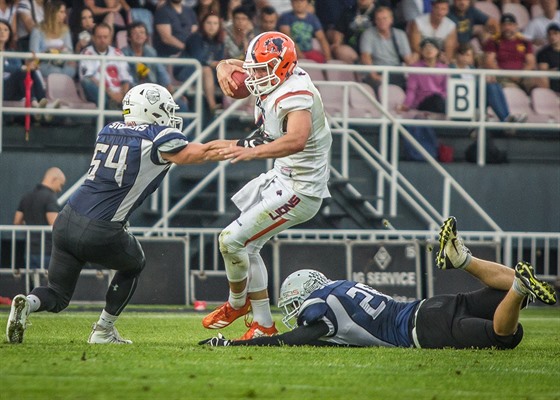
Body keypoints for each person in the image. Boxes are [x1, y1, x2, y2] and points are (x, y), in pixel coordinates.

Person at [5, 83, 226, 345]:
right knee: (134, 263)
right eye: (166, 109)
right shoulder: (157, 136)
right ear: (151, 110)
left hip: (66, 221)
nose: (170, 115)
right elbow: (194, 154)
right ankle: (103, 330)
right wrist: (239, 145)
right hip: (101, 227)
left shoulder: (107, 130)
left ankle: (27, 303)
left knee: (57, 294)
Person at [199, 216, 557, 348]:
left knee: (504, 336)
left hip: (424, 329)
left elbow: (302, 335)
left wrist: (240, 346)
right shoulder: (339, 286)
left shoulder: (317, 306)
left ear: (304, 296)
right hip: (432, 305)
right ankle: (463, 260)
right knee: (510, 315)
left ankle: (517, 288)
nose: (296, 313)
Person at [201, 31, 332, 340]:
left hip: (301, 188)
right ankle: (262, 324)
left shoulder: (296, 92)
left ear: (283, 67)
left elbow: (297, 139)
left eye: (262, 70)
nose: (255, 76)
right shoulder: (276, 74)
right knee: (249, 245)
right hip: (284, 176)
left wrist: (253, 151)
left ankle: (237, 303)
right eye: (254, 69)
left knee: (231, 240)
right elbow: (246, 67)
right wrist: (223, 64)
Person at [13, 167, 66, 274]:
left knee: (31, 285)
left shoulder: (27, 196)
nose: (60, 189)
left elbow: (17, 221)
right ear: (53, 179)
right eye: (60, 185)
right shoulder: (50, 198)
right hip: (47, 252)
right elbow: (55, 224)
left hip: (29, 251)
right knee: (47, 286)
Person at [174, 12, 225, 116]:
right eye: (209, 23)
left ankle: (229, 104)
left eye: (215, 23)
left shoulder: (220, 42)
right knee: (206, 69)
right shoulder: (195, 38)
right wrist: (212, 64)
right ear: (203, 25)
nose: (212, 26)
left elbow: (218, 61)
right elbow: (198, 59)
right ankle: (212, 106)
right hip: (186, 70)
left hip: (207, 74)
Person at [79, 22, 133, 109]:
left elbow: (126, 78)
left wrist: (122, 95)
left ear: (110, 38)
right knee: (87, 82)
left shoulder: (117, 53)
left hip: (119, 92)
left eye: (105, 37)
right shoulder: (87, 53)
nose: (102, 40)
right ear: (93, 38)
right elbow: (89, 78)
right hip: (100, 91)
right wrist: (111, 93)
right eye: (99, 37)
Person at [360, 6, 415, 91]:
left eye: (385, 18)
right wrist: (374, 75)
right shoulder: (368, 34)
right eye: (378, 19)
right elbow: (366, 56)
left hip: (396, 71)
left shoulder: (400, 34)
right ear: (375, 21)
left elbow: (408, 58)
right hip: (378, 70)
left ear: (391, 20)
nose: (382, 21)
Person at [483, 13, 536, 93]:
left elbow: (531, 62)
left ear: (516, 26)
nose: (507, 28)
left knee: (540, 81)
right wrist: (507, 75)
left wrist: (520, 74)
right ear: (500, 27)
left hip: (523, 75)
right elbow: (489, 62)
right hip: (502, 76)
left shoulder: (524, 41)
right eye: (504, 25)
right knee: (511, 88)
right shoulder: (494, 41)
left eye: (510, 25)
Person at [29, 0, 76, 80]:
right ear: (52, 13)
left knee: (69, 70)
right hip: (44, 63)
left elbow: (69, 50)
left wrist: (59, 53)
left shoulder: (65, 29)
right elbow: (34, 52)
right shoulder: (38, 30)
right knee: (57, 72)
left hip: (63, 63)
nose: (65, 15)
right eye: (61, 12)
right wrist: (51, 51)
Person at [536, 23, 560, 93]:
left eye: (555, 34)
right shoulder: (543, 53)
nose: (552, 37)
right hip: (554, 83)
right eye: (550, 34)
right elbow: (544, 72)